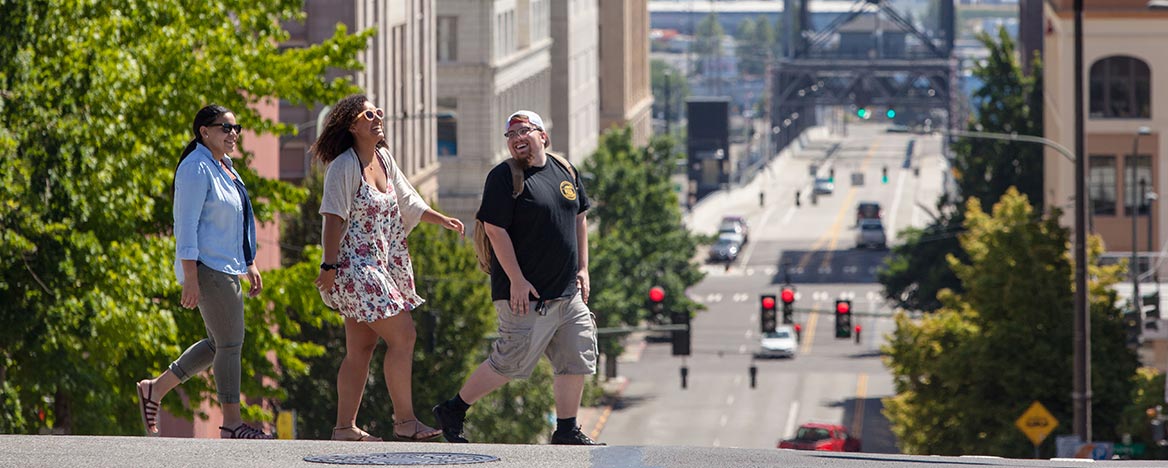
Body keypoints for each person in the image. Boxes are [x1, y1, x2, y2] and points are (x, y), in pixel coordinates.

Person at [432, 110, 603, 445]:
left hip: (567, 292)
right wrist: (517, 280)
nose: (516, 139)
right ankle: (454, 409)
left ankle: (566, 430)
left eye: (523, 131)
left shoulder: (564, 170)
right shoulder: (504, 176)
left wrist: (583, 268)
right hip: (526, 296)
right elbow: (495, 230)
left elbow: (580, 217)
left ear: (543, 136)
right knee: (510, 361)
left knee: (576, 357)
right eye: (510, 135)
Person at [312, 94, 464, 442]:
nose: (378, 117)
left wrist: (440, 219)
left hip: (378, 265)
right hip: (354, 270)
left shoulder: (383, 158)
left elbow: (408, 201)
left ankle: (343, 428)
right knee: (404, 334)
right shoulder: (343, 166)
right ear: (352, 125)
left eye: (379, 111)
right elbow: (332, 219)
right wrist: (329, 265)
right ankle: (405, 421)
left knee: (360, 349)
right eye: (369, 114)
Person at [136, 104, 271, 439]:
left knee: (217, 343)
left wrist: (249, 261)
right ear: (204, 132)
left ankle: (155, 388)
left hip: (228, 265)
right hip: (207, 267)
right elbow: (185, 225)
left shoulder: (225, 167)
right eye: (225, 128)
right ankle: (231, 424)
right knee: (230, 344)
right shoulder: (195, 168)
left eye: (236, 128)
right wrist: (191, 277)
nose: (233, 134)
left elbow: (239, 219)